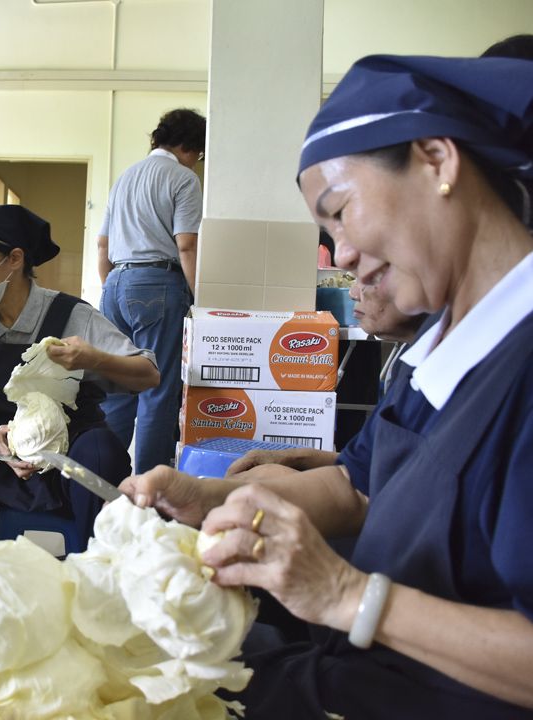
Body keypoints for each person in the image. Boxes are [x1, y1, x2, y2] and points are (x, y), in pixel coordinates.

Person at [123, 54, 533, 718]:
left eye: (340, 212)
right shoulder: (437, 351)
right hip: (358, 669)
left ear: (436, 159)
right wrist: (211, 497)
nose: (340, 255)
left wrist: (348, 595)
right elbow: (355, 485)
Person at [0, 205, 159, 542]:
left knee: (102, 449)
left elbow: (149, 374)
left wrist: (94, 359)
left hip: (64, 463)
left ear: (15, 259)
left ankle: (89, 567)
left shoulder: (72, 316)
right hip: (0, 464)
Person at [226, 279, 428, 479]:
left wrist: (285, 480)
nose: (353, 292)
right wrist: (293, 458)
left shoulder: (438, 379)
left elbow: (391, 487)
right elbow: (368, 464)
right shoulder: (407, 360)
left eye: (369, 277)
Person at [96, 108, 205, 473]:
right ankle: (150, 488)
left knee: (119, 387)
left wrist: (115, 289)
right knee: (157, 390)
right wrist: (203, 301)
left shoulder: (124, 178)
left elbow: (102, 246)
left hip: (115, 284)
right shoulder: (184, 179)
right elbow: (186, 246)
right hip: (157, 283)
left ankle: (106, 479)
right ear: (190, 147)